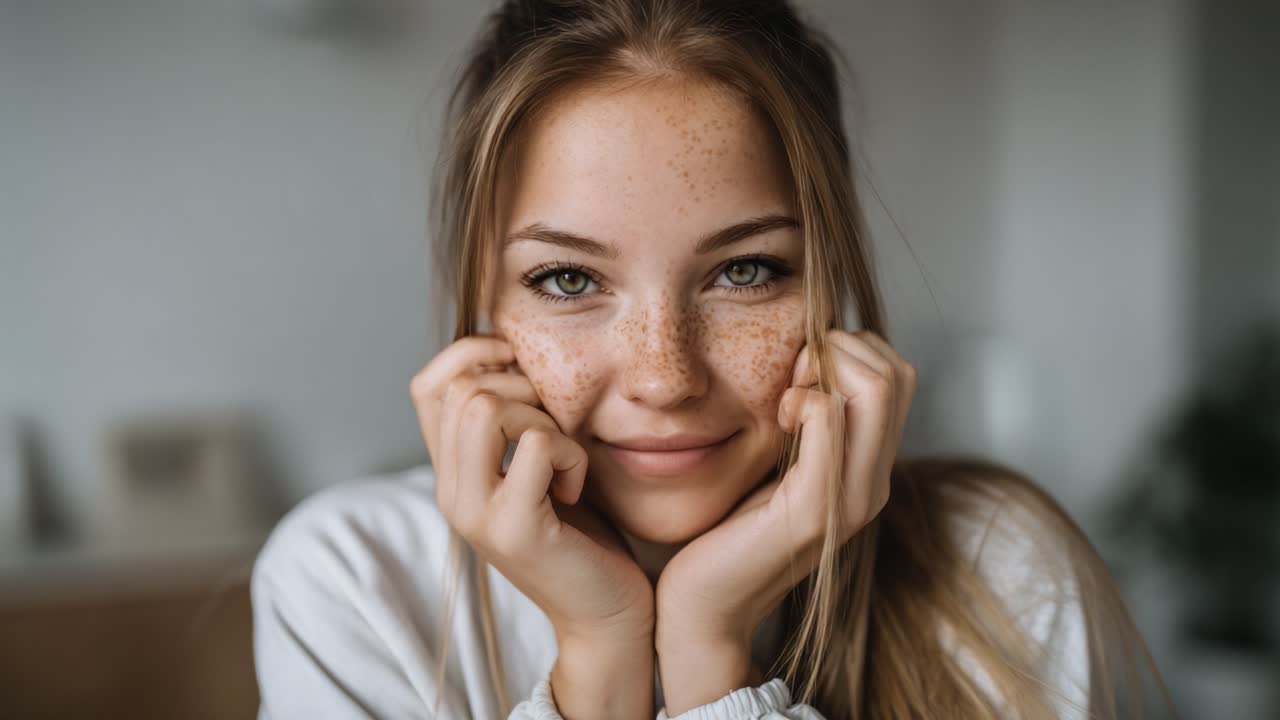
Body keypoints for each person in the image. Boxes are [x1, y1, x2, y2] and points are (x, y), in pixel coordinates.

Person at [251, 1, 1173, 718]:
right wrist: (601, 653)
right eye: (568, 280)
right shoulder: (356, 581)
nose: (663, 376)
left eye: (745, 270)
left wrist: (709, 650)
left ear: (832, 280)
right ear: (482, 305)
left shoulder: (989, 568)